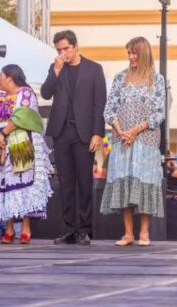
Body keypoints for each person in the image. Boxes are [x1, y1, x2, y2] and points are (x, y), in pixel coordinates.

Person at [42, 29, 107, 246]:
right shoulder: (55, 68)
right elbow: (46, 93)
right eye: (59, 50)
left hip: (84, 133)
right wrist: (55, 71)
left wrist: (97, 133)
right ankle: (69, 229)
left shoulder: (94, 69)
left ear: (76, 46)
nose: (63, 53)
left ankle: (84, 230)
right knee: (66, 183)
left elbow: (99, 104)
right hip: (61, 132)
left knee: (84, 182)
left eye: (66, 49)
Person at [100, 37, 167, 247]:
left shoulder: (157, 80)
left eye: (134, 52)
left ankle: (144, 232)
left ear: (144, 53)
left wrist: (135, 131)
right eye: (129, 53)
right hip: (122, 140)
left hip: (146, 140)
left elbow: (159, 113)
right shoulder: (120, 78)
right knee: (124, 181)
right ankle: (128, 233)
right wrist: (121, 132)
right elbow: (109, 109)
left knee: (145, 181)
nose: (131, 57)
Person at [0, 64, 53, 245]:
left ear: (10, 78)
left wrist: (4, 133)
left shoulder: (26, 94)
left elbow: (22, 116)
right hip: (3, 144)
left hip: (22, 141)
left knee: (25, 183)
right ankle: (9, 227)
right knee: (5, 184)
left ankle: (26, 227)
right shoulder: (0, 95)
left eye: (1, 76)